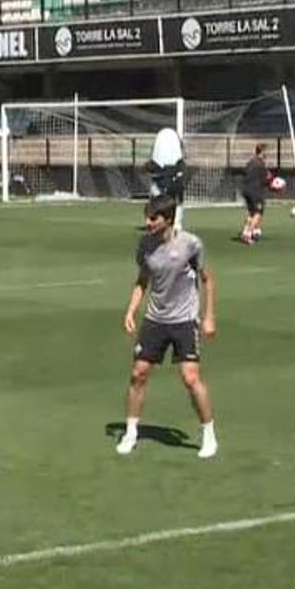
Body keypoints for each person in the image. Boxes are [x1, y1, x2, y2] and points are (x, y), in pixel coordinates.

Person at [119, 194, 218, 458]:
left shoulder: (191, 244)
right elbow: (143, 280)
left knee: (190, 378)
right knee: (138, 373)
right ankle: (131, 432)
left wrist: (209, 317)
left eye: (154, 218)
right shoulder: (144, 245)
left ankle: (209, 434)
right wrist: (131, 310)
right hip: (155, 320)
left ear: (168, 219)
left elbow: (207, 279)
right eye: (147, 217)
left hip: (185, 320)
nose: (148, 222)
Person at [145, 126, 187, 231]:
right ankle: (164, 219)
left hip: (171, 176)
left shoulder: (170, 139)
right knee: (162, 195)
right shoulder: (165, 138)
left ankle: (175, 221)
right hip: (165, 176)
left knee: (175, 195)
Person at [239, 143, 270, 245]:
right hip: (255, 191)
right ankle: (248, 234)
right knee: (258, 213)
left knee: (252, 212)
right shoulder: (260, 164)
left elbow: (245, 173)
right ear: (262, 152)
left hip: (246, 190)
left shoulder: (250, 162)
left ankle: (246, 230)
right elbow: (265, 180)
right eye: (266, 151)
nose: (267, 154)